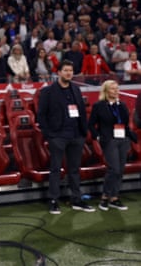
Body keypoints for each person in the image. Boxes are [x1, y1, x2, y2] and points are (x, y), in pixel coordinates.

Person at [37, 60, 95, 214]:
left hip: (76, 135)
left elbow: (81, 111)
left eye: (71, 70)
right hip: (58, 136)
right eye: (66, 70)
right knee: (55, 169)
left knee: (74, 169)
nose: (69, 73)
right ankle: (54, 200)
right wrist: (49, 134)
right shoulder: (48, 91)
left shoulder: (76, 89)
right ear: (59, 73)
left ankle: (76, 199)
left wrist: (83, 132)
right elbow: (41, 115)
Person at [88, 80, 136, 211]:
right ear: (106, 91)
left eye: (117, 88)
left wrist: (129, 137)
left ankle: (114, 197)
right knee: (113, 169)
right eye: (113, 89)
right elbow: (91, 124)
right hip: (109, 140)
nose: (116, 91)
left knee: (120, 170)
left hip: (123, 139)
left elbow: (126, 123)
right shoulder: (99, 106)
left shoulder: (122, 105)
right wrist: (98, 136)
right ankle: (105, 197)